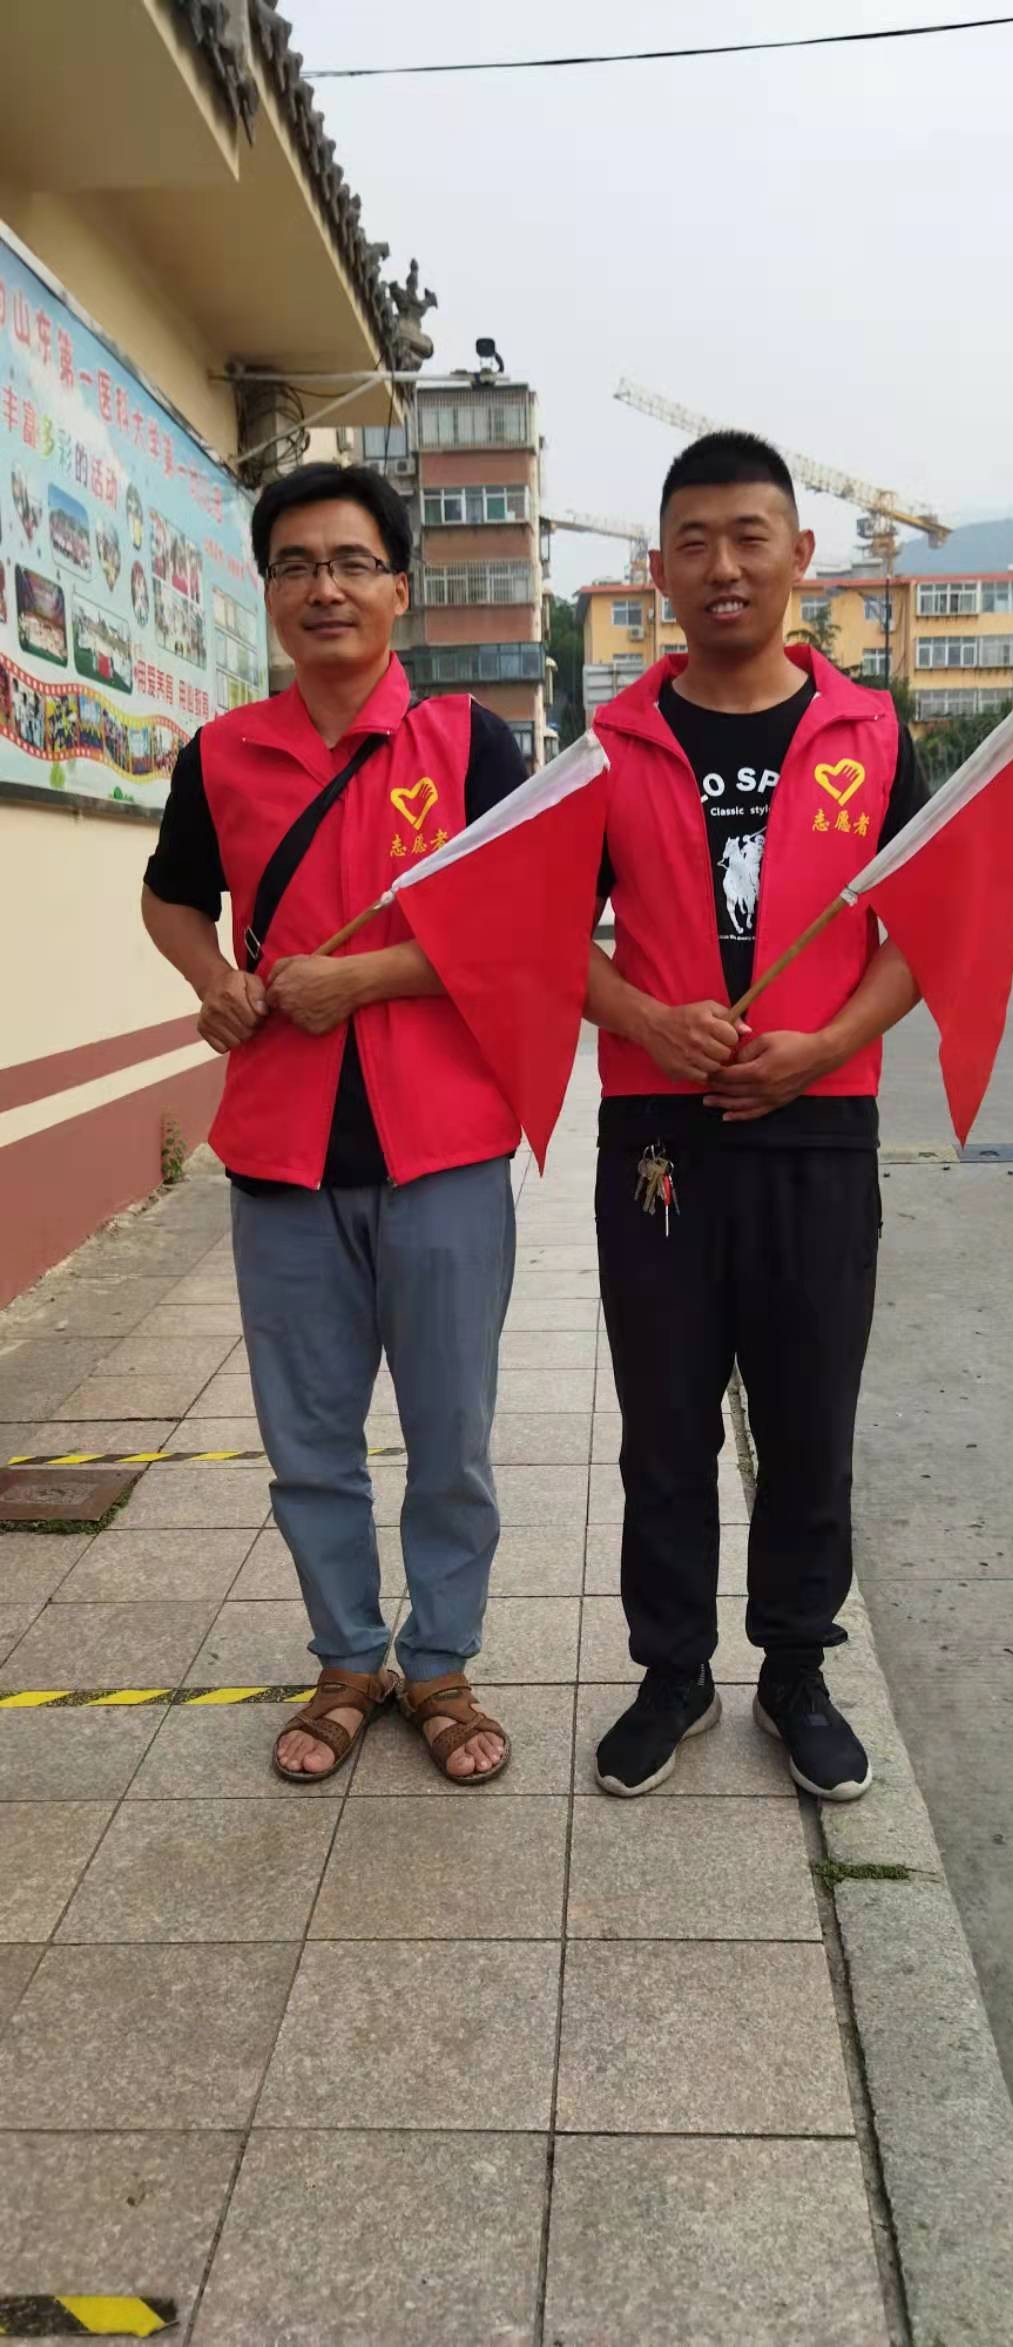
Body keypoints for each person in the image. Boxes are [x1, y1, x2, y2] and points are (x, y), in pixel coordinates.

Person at [142, 461, 528, 1785]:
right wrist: (214, 979)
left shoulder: (470, 746)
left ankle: (444, 1666)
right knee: (310, 1446)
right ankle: (348, 1662)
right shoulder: (222, 756)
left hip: (445, 1149)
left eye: (353, 562)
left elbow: (525, 927)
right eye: (297, 564)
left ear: (399, 589)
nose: (326, 587)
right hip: (281, 1154)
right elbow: (173, 897)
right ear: (268, 592)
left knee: (451, 1441)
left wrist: (363, 979)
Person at [586, 431, 927, 1801]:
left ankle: (796, 1671)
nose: (723, 565)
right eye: (694, 541)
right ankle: (673, 1673)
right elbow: (539, 944)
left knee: (808, 1421)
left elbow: (925, 935)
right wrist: (648, 1020)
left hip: (818, 1133)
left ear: (800, 556)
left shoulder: (871, 734)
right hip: (658, 1138)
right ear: (659, 568)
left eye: (749, 536)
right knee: (664, 1426)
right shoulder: (610, 746)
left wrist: (824, 1046)